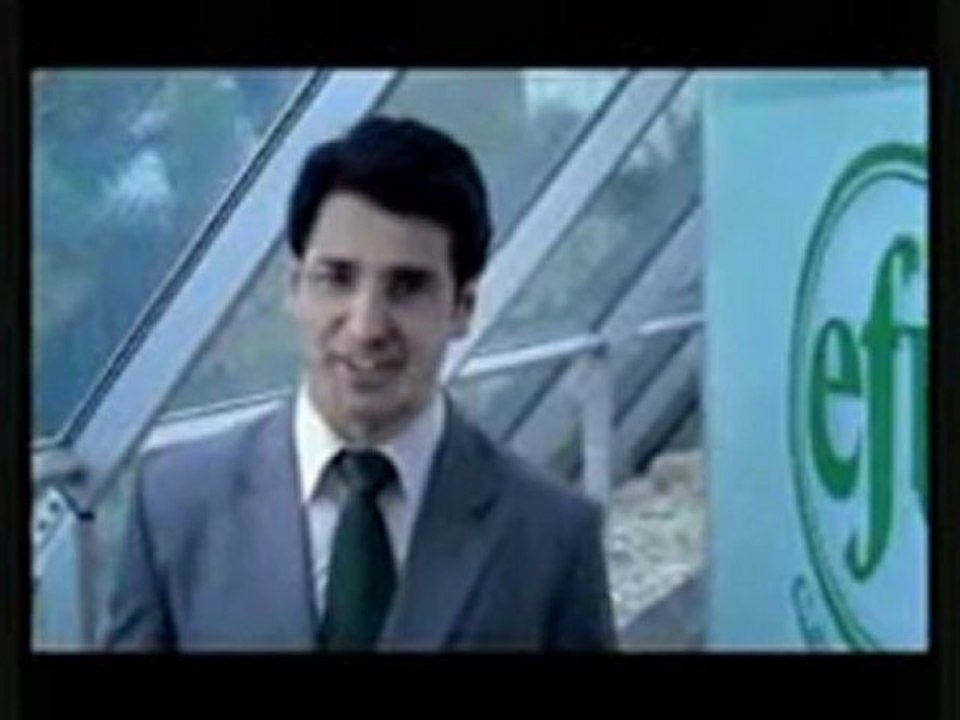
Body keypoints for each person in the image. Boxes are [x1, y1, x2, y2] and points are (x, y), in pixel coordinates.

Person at [101, 116, 617, 651]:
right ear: (295, 287)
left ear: (462, 306)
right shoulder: (175, 506)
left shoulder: (551, 537)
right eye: (338, 279)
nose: (366, 327)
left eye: (407, 286)